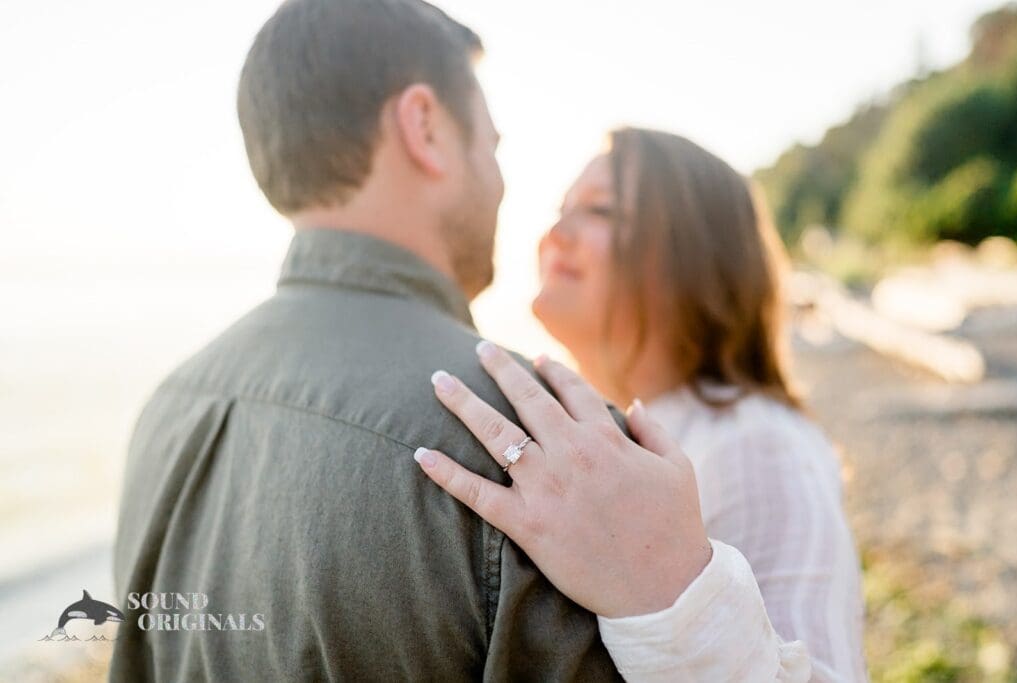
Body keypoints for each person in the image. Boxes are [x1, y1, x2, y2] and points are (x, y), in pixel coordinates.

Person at [111, 0, 631, 679]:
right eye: (492, 145)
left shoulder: (167, 408)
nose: (500, 179)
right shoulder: (540, 449)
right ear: (423, 125)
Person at [415, 130, 868, 680]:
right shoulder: (609, 428)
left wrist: (658, 582)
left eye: (599, 210)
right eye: (561, 209)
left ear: (695, 251)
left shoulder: (755, 444)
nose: (553, 233)